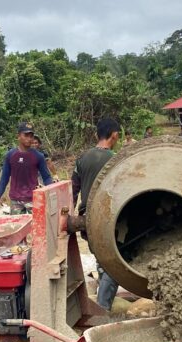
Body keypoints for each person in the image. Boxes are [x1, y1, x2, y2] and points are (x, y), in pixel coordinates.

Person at [72, 118, 121, 310]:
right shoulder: (115, 160)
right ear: (114, 135)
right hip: (108, 220)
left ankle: (103, 299)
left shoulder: (82, 158)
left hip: (87, 220)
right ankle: (103, 309)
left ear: (96, 135)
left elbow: (74, 187)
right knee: (113, 266)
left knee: (102, 260)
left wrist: (71, 213)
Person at [0, 122, 53, 214]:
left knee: (35, 226)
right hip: (15, 200)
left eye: (31, 136)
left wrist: (51, 193)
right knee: (18, 225)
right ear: (18, 136)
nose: (29, 139)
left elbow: (46, 177)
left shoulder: (38, 156)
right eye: (26, 135)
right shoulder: (11, 155)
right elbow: (4, 177)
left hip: (33, 199)